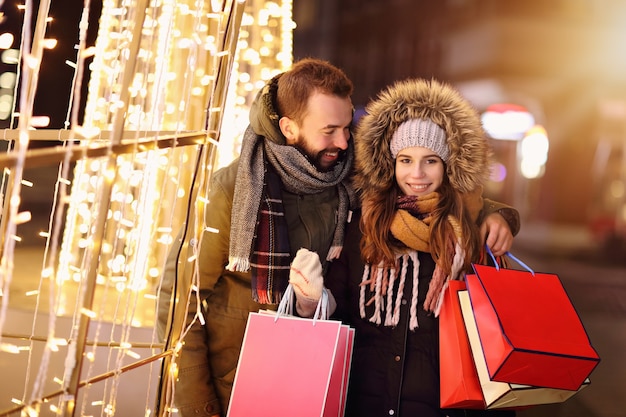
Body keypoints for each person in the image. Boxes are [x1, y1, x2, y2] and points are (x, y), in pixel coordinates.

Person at [158, 59, 517, 417]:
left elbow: (438, 192)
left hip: (318, 385)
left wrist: (497, 215)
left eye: (348, 127)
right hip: (238, 385)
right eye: (330, 130)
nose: (344, 142)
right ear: (289, 127)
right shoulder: (234, 190)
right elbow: (177, 301)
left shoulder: (347, 180)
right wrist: (197, 406)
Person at [324, 78, 520, 417]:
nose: (417, 174)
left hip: (440, 406)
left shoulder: (470, 236)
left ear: (448, 166)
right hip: (364, 402)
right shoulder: (364, 226)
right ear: (390, 164)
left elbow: (494, 340)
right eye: (405, 160)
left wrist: (501, 216)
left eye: (430, 160)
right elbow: (338, 314)